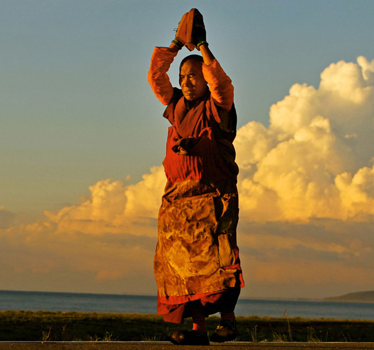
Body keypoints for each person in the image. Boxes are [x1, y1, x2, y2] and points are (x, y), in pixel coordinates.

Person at [148, 9, 244, 346]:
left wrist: (202, 47)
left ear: (205, 80)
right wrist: (175, 44)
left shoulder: (219, 106)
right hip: (177, 201)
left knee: (219, 260)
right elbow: (156, 76)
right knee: (183, 266)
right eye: (183, 77)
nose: (187, 82)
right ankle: (197, 331)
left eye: (194, 77)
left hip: (213, 197)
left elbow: (222, 83)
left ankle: (228, 323)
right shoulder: (175, 105)